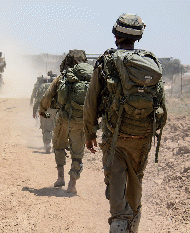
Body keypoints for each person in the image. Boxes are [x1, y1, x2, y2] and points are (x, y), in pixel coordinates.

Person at [83, 13, 167, 232]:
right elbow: (161, 106)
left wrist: (89, 133)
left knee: (117, 198)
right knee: (135, 185)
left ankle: (121, 221)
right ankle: (133, 225)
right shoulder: (150, 63)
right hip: (142, 138)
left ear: (115, 35)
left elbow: (91, 102)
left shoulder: (107, 61)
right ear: (137, 37)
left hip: (115, 138)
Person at [39, 50, 93, 194]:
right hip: (81, 121)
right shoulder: (91, 78)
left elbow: (47, 96)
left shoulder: (63, 77)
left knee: (58, 145)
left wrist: (42, 110)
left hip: (63, 118)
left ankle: (60, 177)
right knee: (77, 153)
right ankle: (72, 184)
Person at [32, 76, 57, 154]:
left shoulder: (42, 87)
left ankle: (47, 144)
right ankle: (56, 146)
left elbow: (37, 100)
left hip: (45, 111)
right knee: (56, 129)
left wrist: (34, 111)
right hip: (56, 111)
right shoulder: (57, 86)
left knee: (46, 128)